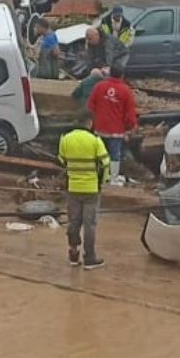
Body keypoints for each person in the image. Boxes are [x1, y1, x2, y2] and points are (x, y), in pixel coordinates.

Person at [59, 111, 111, 270]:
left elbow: (62, 160)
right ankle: (90, 258)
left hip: (73, 187)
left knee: (74, 221)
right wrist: (102, 182)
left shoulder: (65, 139)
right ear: (89, 123)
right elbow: (105, 163)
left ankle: (73, 255)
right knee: (90, 224)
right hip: (91, 189)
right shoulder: (95, 140)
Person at [87, 69, 139, 186]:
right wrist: (129, 128)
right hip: (116, 131)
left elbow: (90, 107)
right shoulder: (125, 90)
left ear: (110, 74)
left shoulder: (99, 87)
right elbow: (130, 115)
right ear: (122, 75)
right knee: (115, 155)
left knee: (99, 153)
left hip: (99, 128)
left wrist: (95, 121)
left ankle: (99, 176)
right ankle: (113, 179)